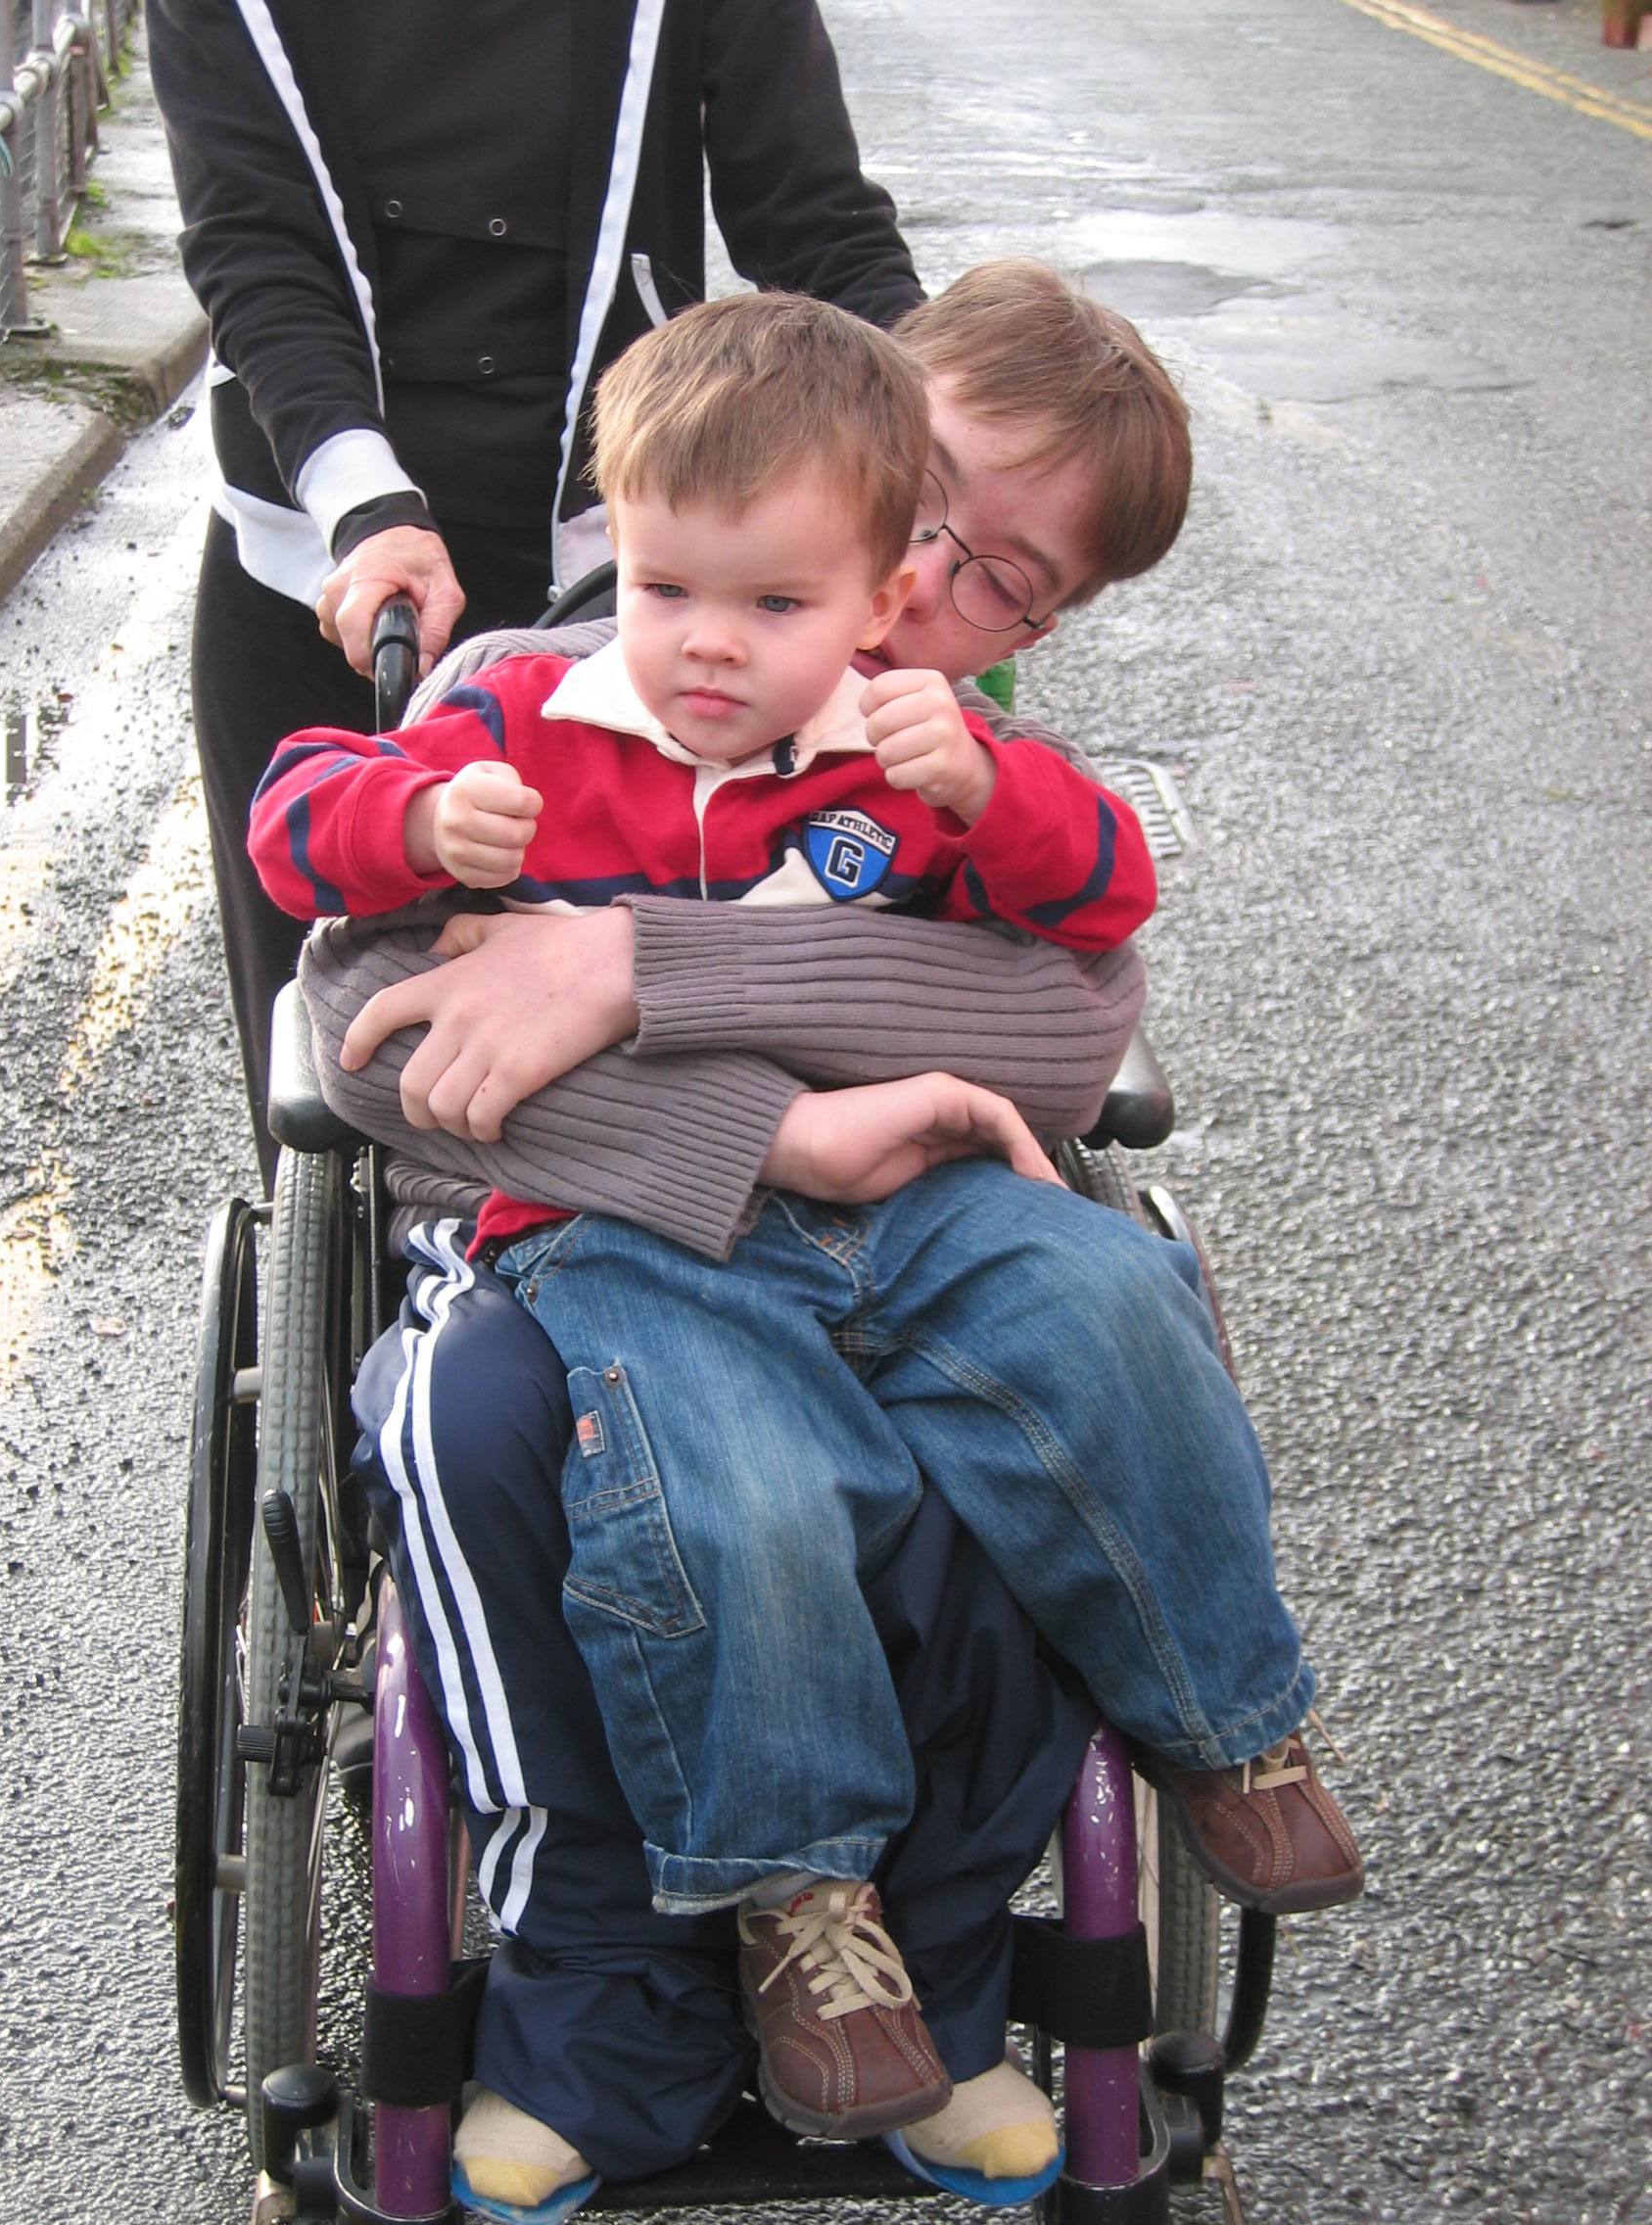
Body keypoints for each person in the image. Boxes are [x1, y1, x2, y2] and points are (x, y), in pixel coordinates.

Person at [256, 284, 1364, 2214]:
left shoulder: (949, 764)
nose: (930, 583)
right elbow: (368, 1015)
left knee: (1071, 1359)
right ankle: (612, 2000)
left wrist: (633, 962)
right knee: (544, 1432)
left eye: (998, 577)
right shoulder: (544, 686)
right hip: (579, 1223)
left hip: (892, 1232)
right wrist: (770, 1099)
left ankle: (943, 1964)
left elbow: (1061, 1029)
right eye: (919, 502)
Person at [146, 0, 924, 1181]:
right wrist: (364, 501)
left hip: (649, 562)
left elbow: (817, 228)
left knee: (694, 988)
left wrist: (961, 461)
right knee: (342, 1066)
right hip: (330, 551)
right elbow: (256, 244)